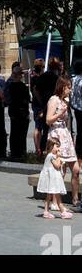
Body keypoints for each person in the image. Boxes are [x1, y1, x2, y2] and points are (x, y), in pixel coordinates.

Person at [45, 76, 80, 208]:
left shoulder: (64, 101)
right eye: (68, 88)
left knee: (75, 169)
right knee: (60, 170)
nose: (70, 90)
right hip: (57, 135)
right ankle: (55, 201)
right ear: (62, 87)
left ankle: (75, 198)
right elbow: (48, 120)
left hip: (65, 135)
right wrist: (61, 113)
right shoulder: (54, 100)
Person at [38, 133, 70, 219]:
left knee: (49, 196)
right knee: (57, 196)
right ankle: (63, 212)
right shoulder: (51, 156)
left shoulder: (50, 156)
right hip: (52, 180)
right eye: (57, 146)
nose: (58, 149)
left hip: (52, 179)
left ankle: (46, 211)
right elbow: (57, 166)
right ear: (51, 146)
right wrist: (59, 157)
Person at [5, 63, 31, 161]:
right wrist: (27, 113)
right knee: (22, 134)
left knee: (14, 132)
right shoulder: (23, 86)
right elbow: (27, 100)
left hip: (13, 112)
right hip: (22, 112)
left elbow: (8, 98)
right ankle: (21, 153)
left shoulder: (11, 85)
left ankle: (14, 152)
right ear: (19, 75)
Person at [30, 58, 47, 155]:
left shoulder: (34, 77)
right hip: (38, 105)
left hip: (35, 104)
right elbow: (35, 91)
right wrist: (41, 102)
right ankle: (38, 148)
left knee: (38, 126)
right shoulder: (36, 78)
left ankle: (39, 148)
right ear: (40, 67)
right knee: (38, 127)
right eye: (43, 66)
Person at [71, 59, 82, 163]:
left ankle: (78, 152)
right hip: (81, 108)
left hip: (76, 108)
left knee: (79, 131)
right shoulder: (81, 81)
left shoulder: (73, 79)